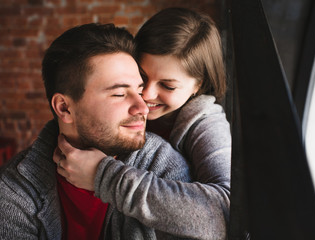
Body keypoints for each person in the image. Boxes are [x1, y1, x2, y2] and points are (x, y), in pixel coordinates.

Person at [0, 23, 192, 239]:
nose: (143, 107)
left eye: (139, 91)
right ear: (65, 108)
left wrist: (104, 176)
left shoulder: (160, 164)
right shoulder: (14, 190)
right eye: (119, 94)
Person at [56, 7, 231, 239]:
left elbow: (226, 213)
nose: (146, 96)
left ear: (198, 85)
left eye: (167, 86)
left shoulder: (207, 124)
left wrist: (103, 176)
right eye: (141, 77)